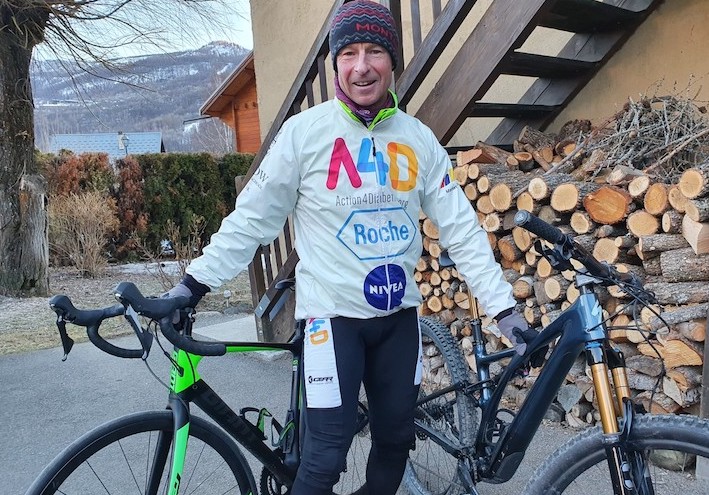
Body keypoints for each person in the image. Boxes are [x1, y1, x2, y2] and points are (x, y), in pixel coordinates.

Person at [168, 1, 544, 493]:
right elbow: (252, 220)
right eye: (348, 53)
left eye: (374, 51)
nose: (361, 65)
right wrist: (192, 284)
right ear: (335, 63)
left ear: (391, 61)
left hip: (398, 322)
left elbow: (461, 229)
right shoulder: (304, 135)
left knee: (394, 443)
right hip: (331, 322)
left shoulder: (418, 139)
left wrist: (503, 308)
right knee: (323, 460)